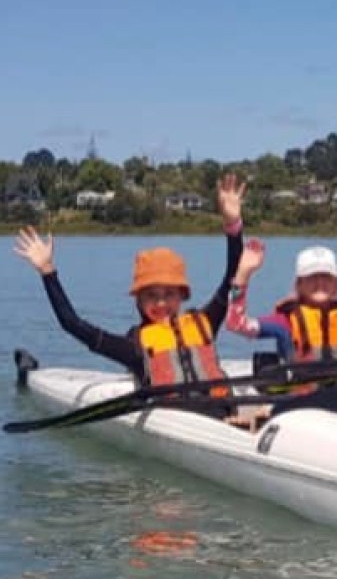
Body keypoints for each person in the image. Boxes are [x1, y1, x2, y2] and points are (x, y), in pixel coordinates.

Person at [12, 175, 246, 416]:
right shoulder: (135, 347)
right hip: (178, 423)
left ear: (182, 296)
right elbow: (73, 324)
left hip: (223, 415)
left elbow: (233, 274)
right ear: (139, 301)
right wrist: (47, 271)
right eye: (151, 296)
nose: (161, 303)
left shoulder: (204, 321)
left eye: (169, 294)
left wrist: (233, 225)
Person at [225, 239, 337, 363]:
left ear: (336, 284)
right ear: (299, 284)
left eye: (326, 277)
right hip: (301, 405)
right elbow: (236, 324)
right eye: (312, 277)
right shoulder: (284, 321)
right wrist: (243, 273)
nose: (320, 283)